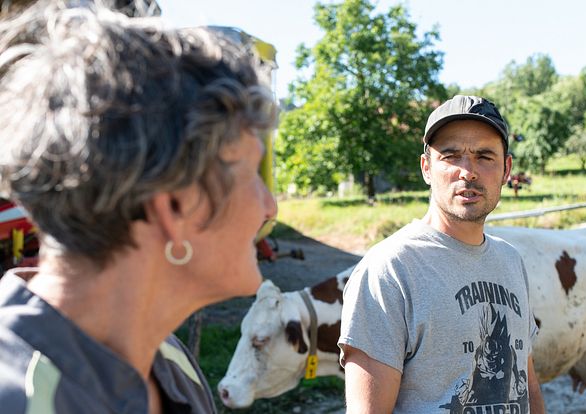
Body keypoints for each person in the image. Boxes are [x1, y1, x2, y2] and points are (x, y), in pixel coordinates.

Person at [0, 2, 277, 413]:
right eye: (253, 174)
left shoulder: (172, 363)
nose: (269, 207)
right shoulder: (17, 396)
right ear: (175, 208)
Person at [338, 95, 545, 413]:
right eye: (451, 156)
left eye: (484, 156)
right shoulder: (389, 271)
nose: (468, 172)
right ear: (426, 168)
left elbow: (526, 383)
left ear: (506, 169)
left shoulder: (510, 261)